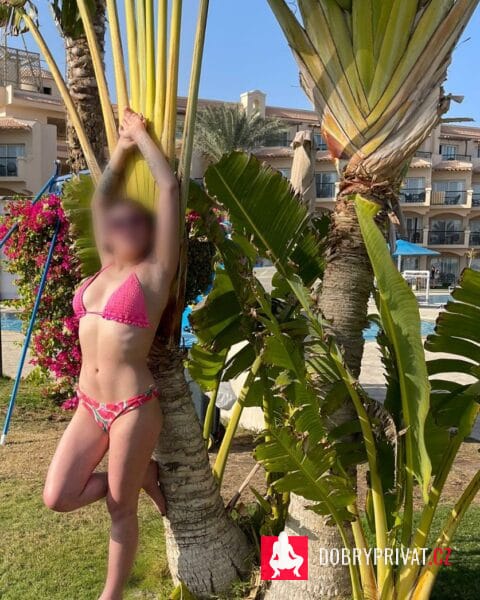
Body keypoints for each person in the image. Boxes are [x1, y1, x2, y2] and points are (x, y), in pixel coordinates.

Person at [43, 108, 179, 600]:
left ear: (149, 232)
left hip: (132, 408)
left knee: (120, 510)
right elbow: (102, 199)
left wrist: (141, 136)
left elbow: (168, 189)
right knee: (57, 496)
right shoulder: (102, 269)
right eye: (118, 222)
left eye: (136, 222)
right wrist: (120, 148)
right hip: (89, 405)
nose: (123, 226)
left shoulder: (154, 274)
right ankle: (142, 474)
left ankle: (111, 594)